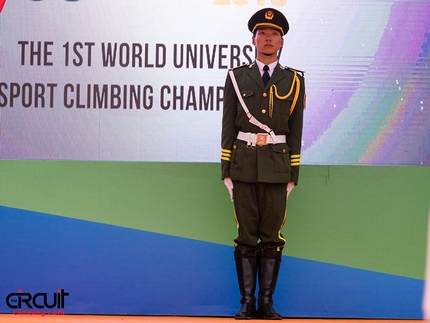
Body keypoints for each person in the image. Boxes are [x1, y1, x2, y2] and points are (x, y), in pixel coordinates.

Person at [220, 7, 306, 320]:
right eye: (262, 33)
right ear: (253, 39)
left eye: (274, 34)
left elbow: (295, 130)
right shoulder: (236, 76)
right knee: (245, 233)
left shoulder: (294, 80)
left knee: (271, 235)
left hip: (277, 168)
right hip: (243, 165)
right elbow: (228, 125)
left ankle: (266, 305)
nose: (268, 39)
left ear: (281, 41)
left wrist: (292, 173)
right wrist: (226, 170)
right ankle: (246, 304)